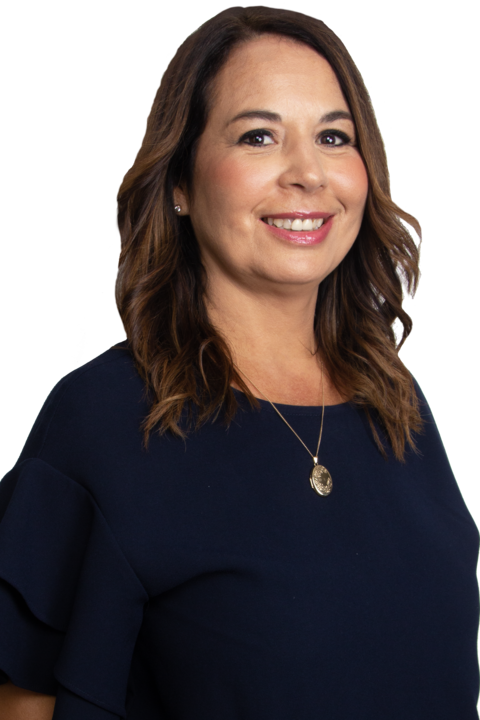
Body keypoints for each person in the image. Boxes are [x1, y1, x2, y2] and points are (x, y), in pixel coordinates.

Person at [0, 5, 478, 719]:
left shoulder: (395, 404)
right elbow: (25, 702)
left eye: (333, 137)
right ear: (183, 184)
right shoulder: (100, 425)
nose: (306, 173)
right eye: (258, 136)